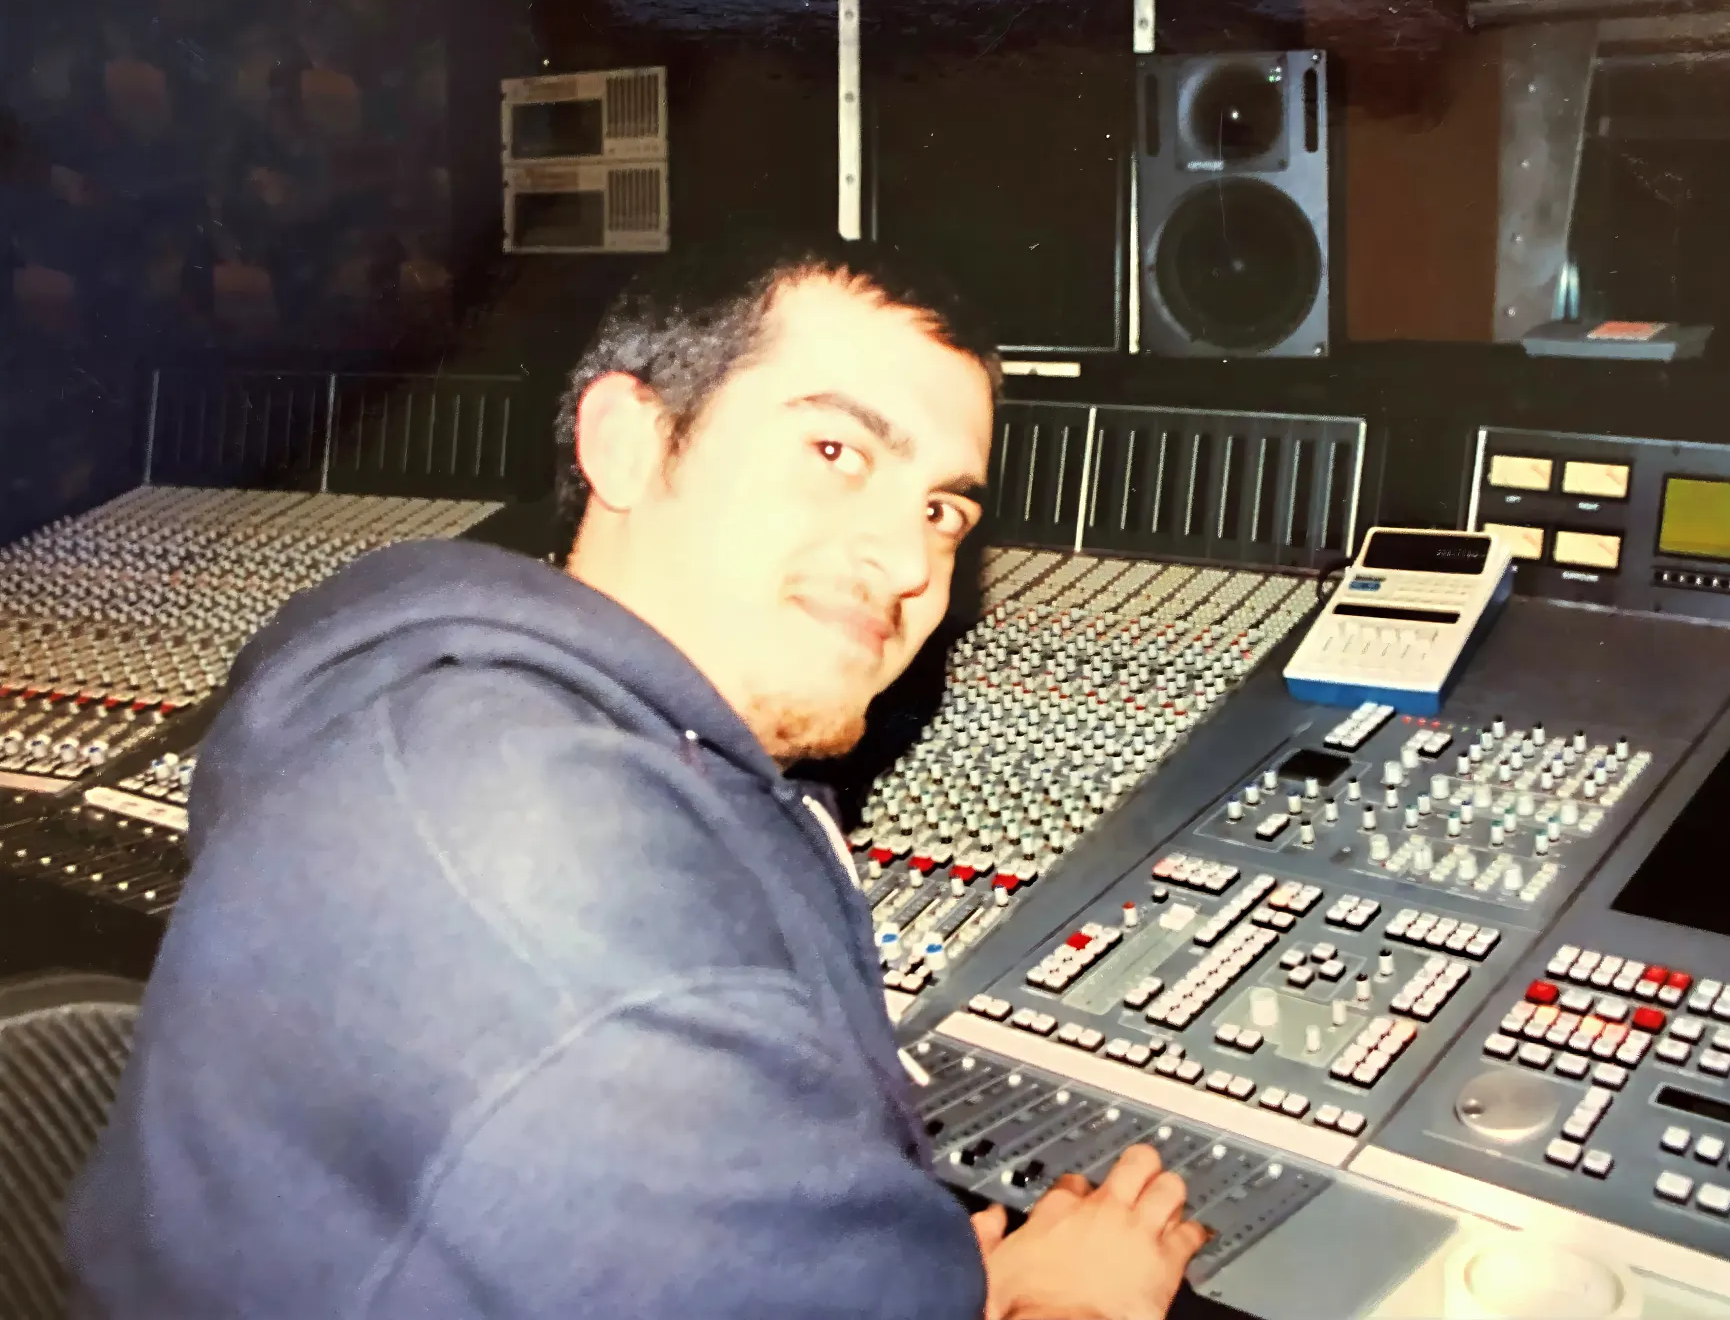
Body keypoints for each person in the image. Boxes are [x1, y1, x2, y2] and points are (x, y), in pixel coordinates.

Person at [65, 236, 1210, 1318]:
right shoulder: (536, 860)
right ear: (625, 440)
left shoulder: (477, 699)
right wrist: (1077, 1301)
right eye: (835, 453)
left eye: (943, 509)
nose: (910, 560)